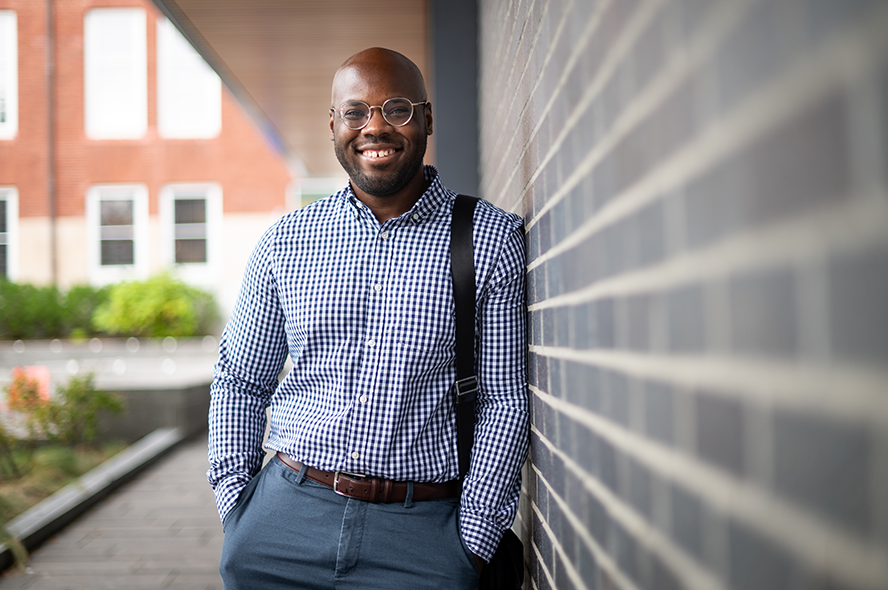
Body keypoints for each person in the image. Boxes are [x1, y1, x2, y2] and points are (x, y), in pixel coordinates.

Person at [208, 47, 527, 590]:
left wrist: (472, 541)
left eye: (396, 108)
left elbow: (504, 399)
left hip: (423, 535)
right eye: (355, 112)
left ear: (426, 118)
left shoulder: (488, 239)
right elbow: (239, 379)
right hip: (282, 524)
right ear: (334, 125)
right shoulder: (287, 240)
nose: (374, 126)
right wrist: (238, 508)